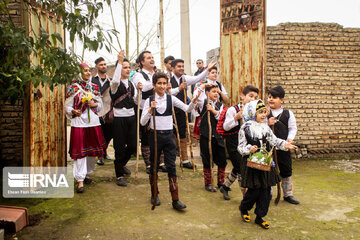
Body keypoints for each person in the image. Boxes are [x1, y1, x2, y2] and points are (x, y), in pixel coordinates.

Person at [140, 72, 201, 210]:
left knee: (171, 166)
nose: (162, 86)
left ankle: (175, 199)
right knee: (154, 166)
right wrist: (150, 109)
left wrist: (193, 101)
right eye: (159, 83)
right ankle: (154, 194)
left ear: (168, 84)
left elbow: (187, 109)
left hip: (168, 136)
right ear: (154, 85)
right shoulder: (149, 100)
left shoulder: (171, 99)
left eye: (164, 83)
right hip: (155, 136)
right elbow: (142, 122)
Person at [238, 100, 297, 229]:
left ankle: (260, 216)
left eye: (264, 112)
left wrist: (285, 145)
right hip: (252, 164)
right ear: (252, 113)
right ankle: (244, 208)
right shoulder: (245, 127)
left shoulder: (266, 127)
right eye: (260, 112)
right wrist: (249, 149)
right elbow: (240, 147)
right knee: (254, 190)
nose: (264, 115)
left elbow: (274, 141)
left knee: (266, 191)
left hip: (266, 163)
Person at [65, 63, 106, 193]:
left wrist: (94, 104)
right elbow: (67, 106)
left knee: (92, 151)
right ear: (79, 73)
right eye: (85, 71)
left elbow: (100, 106)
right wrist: (73, 111)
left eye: (89, 71)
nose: (88, 73)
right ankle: (80, 180)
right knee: (80, 152)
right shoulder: (73, 88)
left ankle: (87, 173)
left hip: (93, 122)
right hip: (79, 122)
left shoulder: (94, 87)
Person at [170, 59, 216, 169]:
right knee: (169, 136)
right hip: (169, 111)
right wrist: (178, 89)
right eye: (178, 66)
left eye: (182, 66)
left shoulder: (184, 78)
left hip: (182, 110)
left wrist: (207, 70)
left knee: (182, 134)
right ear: (172, 68)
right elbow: (165, 92)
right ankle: (167, 161)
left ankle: (184, 160)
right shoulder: (167, 78)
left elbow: (197, 78)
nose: (181, 68)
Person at [220, 85, 259, 200]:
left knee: (238, 167)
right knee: (242, 169)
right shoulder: (233, 110)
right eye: (250, 96)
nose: (252, 99)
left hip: (247, 145)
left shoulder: (253, 112)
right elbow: (225, 127)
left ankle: (225, 186)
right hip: (233, 144)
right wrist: (236, 118)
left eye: (255, 97)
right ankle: (246, 197)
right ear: (242, 96)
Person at [132, 51, 166, 173]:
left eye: (152, 57)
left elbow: (153, 86)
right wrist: (155, 82)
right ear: (142, 62)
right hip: (144, 109)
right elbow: (143, 87)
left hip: (159, 108)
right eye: (148, 58)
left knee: (160, 134)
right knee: (146, 136)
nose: (152, 59)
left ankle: (161, 162)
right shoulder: (137, 75)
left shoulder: (157, 74)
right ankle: (149, 164)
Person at [110, 50, 140, 187]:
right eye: (124, 67)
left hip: (131, 117)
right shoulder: (114, 85)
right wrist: (120, 61)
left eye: (129, 67)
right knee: (119, 147)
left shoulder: (132, 84)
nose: (128, 69)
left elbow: (135, 100)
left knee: (133, 146)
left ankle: (121, 164)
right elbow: (115, 80)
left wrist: (140, 89)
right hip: (119, 118)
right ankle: (119, 175)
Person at [267, 86, 300, 205]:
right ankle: (268, 193)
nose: (270, 99)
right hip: (269, 147)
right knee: (269, 169)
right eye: (269, 97)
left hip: (284, 146)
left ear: (282, 100)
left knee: (286, 169)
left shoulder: (287, 113)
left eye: (274, 97)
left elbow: (292, 128)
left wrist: (289, 139)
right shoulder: (265, 112)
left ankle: (288, 194)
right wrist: (267, 123)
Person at [196, 83, 227, 192]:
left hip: (218, 136)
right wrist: (204, 85)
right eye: (213, 92)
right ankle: (208, 183)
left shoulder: (220, 105)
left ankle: (221, 182)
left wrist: (213, 110)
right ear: (207, 93)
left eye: (217, 92)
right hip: (206, 135)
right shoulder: (202, 103)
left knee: (222, 158)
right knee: (207, 159)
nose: (216, 94)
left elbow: (221, 117)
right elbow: (196, 95)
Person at [91, 57, 113, 165]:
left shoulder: (111, 80)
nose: (103, 66)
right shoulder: (92, 80)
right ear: (96, 66)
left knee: (108, 132)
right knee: (98, 133)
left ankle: (104, 151)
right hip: (96, 109)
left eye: (105, 64)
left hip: (108, 110)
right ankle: (100, 155)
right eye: (101, 64)